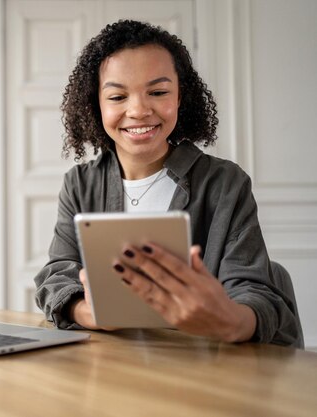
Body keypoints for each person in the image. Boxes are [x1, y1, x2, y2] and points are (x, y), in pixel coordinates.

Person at [34, 20, 302, 347]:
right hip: (115, 364)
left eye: (158, 92)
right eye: (117, 96)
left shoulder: (225, 184)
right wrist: (89, 313)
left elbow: (256, 292)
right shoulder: (80, 183)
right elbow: (57, 275)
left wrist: (231, 321)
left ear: (180, 97)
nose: (138, 110)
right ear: (96, 105)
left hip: (205, 364)